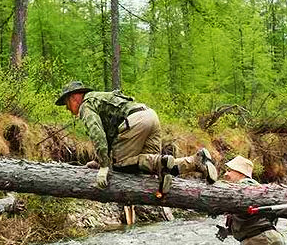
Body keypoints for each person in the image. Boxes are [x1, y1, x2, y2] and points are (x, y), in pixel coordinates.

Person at [55, 80, 218, 192]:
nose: (67, 109)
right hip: (150, 115)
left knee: (121, 165)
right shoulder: (100, 99)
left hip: (134, 121)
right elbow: (111, 137)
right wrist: (98, 162)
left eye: (67, 104)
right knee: (149, 168)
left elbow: (98, 134)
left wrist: (105, 166)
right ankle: (197, 161)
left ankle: (162, 162)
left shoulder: (86, 105)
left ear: (74, 97)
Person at [214, 155, 287, 245]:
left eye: (230, 170)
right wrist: (229, 231)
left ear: (240, 172)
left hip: (260, 243)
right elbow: (250, 218)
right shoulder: (248, 192)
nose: (226, 174)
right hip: (265, 240)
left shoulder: (246, 186)